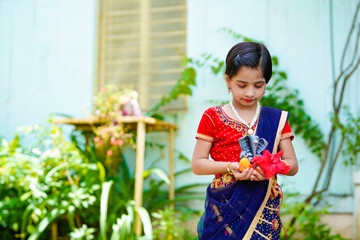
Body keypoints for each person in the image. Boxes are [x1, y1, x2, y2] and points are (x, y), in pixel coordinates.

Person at [192, 41, 298, 240]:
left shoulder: (276, 119)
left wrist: (269, 169)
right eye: (242, 85)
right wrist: (230, 167)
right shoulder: (212, 116)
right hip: (225, 207)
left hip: (263, 210)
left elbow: (292, 165)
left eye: (259, 85)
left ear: (266, 82)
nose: (250, 92)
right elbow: (197, 164)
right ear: (227, 81)